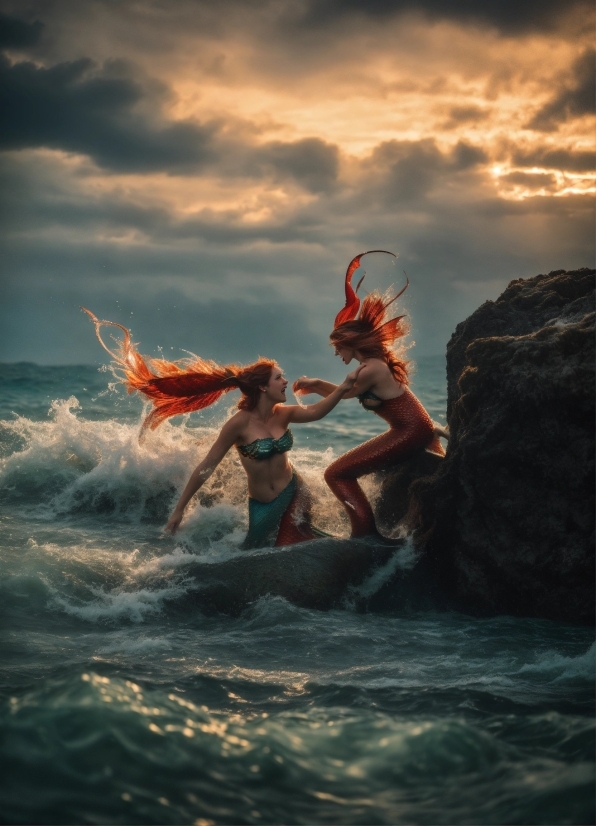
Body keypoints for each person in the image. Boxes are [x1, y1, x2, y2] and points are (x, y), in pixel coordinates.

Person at [82, 308, 361, 547]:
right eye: (279, 378)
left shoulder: (283, 414)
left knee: (302, 548)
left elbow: (316, 411)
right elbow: (207, 465)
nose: (286, 382)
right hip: (264, 506)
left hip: (294, 493)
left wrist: (341, 388)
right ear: (263, 386)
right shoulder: (238, 424)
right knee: (259, 553)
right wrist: (180, 509)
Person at [293, 251, 448, 539]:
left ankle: (364, 535)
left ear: (350, 343)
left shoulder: (370, 368)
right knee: (344, 471)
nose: (337, 353)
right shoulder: (371, 366)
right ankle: (371, 530)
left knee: (335, 474)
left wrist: (315, 385)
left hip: (412, 430)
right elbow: (346, 392)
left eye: (338, 348)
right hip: (416, 428)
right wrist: (316, 385)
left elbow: (346, 393)